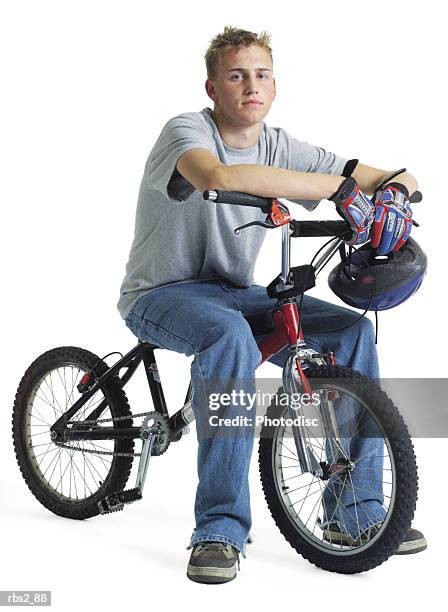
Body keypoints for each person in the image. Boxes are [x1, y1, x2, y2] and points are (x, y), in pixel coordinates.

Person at [117, 26, 426, 584]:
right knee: (231, 339)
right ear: (212, 87)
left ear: (274, 87)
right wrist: (335, 188)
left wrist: (394, 194)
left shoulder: (280, 144)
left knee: (350, 332)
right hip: (161, 293)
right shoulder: (187, 131)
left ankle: (355, 513)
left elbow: (391, 174)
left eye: (260, 76)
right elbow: (220, 177)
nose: (250, 86)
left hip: (234, 292)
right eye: (236, 75)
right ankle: (219, 529)